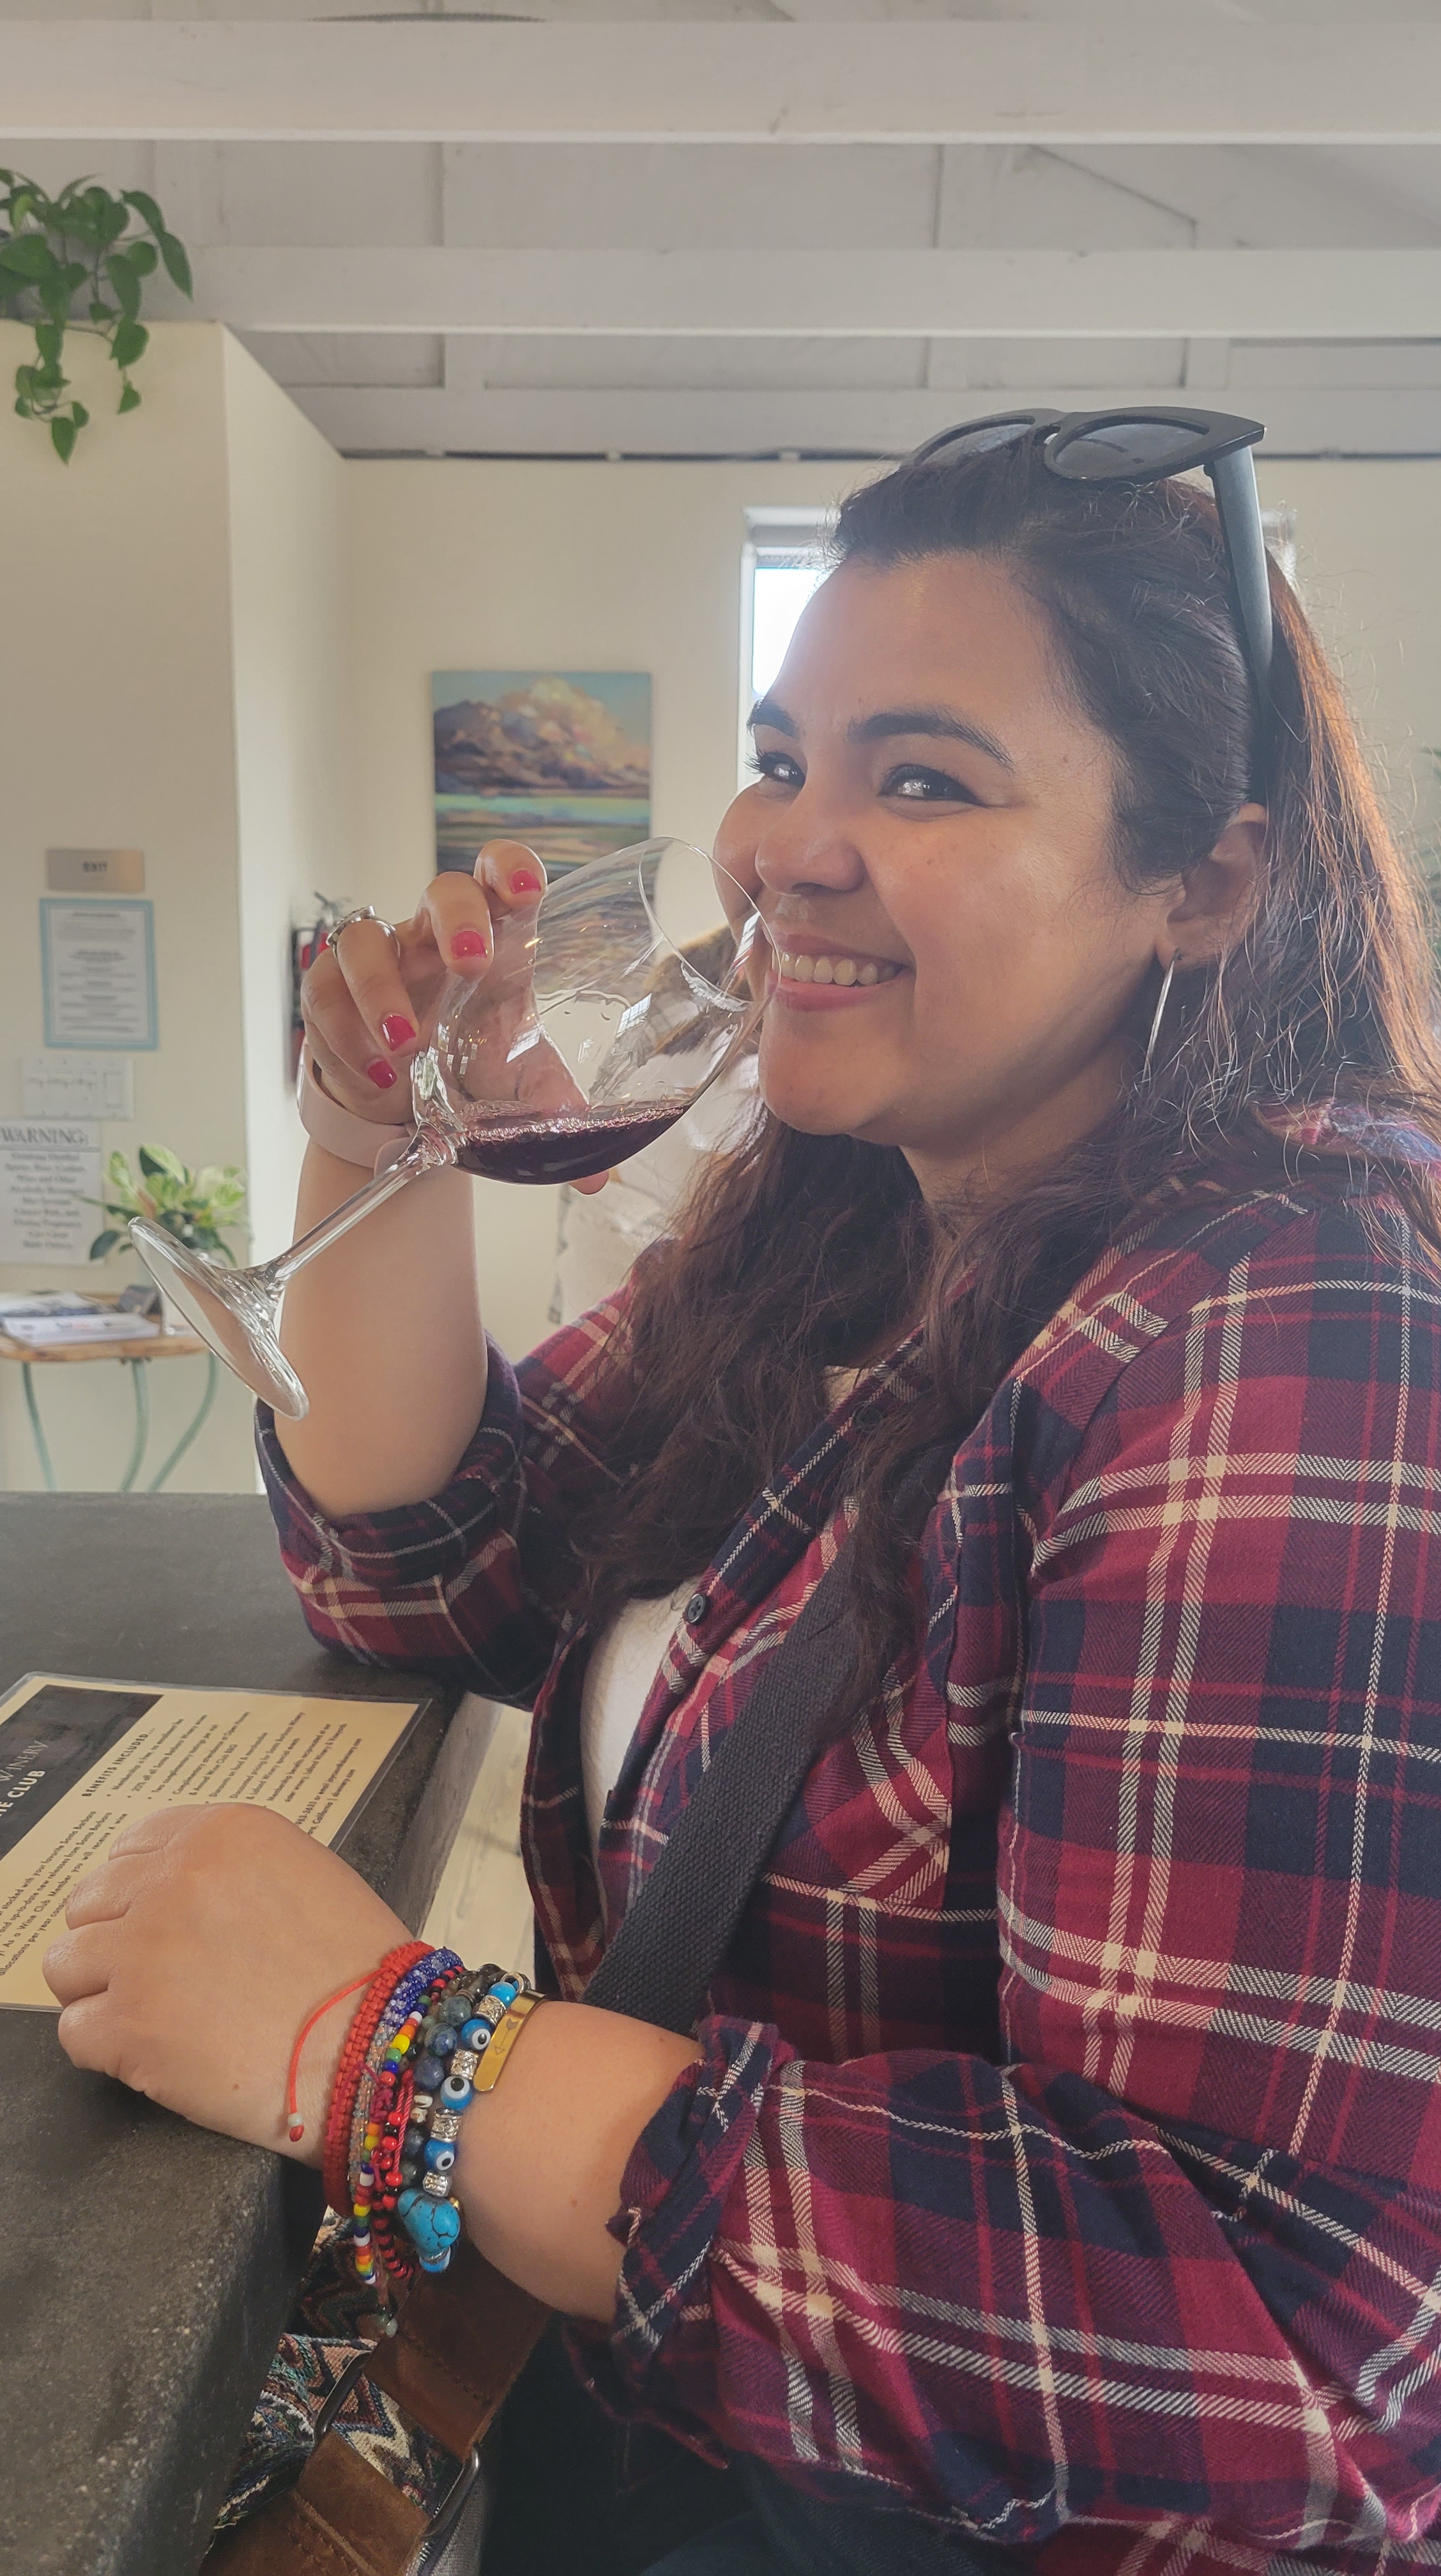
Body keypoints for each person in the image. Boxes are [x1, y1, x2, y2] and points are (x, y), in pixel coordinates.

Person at [42, 431, 1441, 2576]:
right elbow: (435, 1566)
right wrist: (378, 1125)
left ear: (1210, 882)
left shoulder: (1289, 1323)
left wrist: (400, 2057)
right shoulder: (862, 1225)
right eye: (785, 759)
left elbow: (1281, 2339)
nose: (788, 845)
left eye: (925, 779)